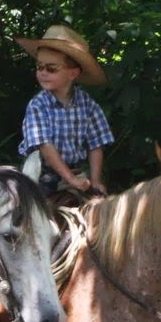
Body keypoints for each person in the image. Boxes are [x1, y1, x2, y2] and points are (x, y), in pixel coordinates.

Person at [15, 24, 112, 198]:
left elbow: (96, 144)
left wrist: (96, 180)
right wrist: (69, 178)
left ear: (73, 74)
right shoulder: (38, 105)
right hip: (42, 175)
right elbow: (45, 146)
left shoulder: (87, 104)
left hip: (77, 172)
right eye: (39, 67)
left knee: (101, 210)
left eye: (51, 68)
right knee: (35, 213)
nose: (43, 72)